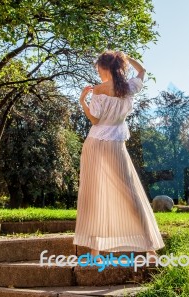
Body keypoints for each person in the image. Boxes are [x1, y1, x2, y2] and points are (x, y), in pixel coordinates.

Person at [73, 50, 165, 264]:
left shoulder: (99, 90)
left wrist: (83, 101)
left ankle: (95, 252)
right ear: (119, 66)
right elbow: (142, 70)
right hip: (116, 143)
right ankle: (150, 250)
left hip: (96, 144)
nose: (97, 71)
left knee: (94, 195)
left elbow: (95, 121)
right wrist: (126, 56)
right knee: (131, 192)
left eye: (98, 68)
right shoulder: (129, 87)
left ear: (104, 68)